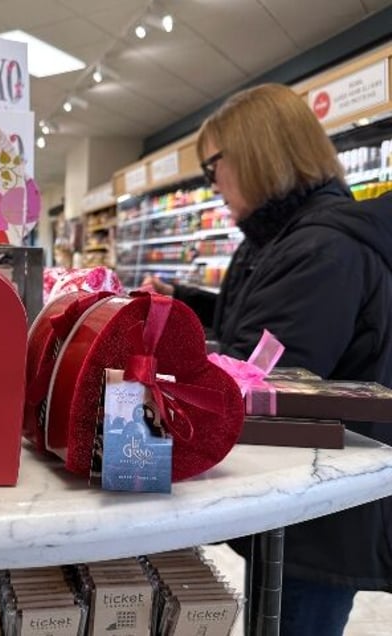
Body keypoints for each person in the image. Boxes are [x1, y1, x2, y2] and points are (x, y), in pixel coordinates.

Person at [143, 83, 392, 636]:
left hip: (315, 516)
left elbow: (267, 380)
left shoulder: (321, 249)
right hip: (303, 499)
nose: (213, 186)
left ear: (256, 153)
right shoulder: (286, 239)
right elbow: (263, 331)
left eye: (213, 167)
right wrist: (189, 305)